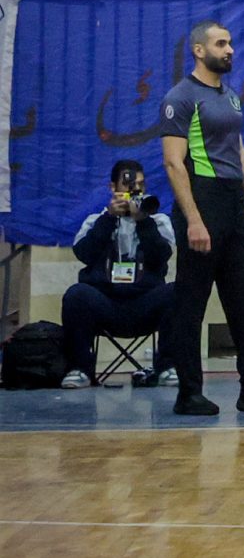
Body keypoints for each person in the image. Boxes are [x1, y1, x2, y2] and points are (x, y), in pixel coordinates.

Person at [157, 20, 244, 418]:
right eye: (221, 43)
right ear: (199, 50)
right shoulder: (181, 97)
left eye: (230, 43)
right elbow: (173, 163)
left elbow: (240, 153)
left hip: (234, 205)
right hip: (202, 200)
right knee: (192, 301)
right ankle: (189, 393)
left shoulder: (231, 97)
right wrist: (194, 220)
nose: (230, 49)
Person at [59, 160, 177, 388]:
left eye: (140, 186)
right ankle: (80, 369)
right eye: (129, 186)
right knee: (77, 294)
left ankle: (167, 367)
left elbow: (160, 256)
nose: (135, 191)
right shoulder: (95, 221)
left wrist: (143, 221)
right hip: (106, 304)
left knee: (177, 291)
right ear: (112, 188)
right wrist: (109, 219)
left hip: (144, 304)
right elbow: (84, 254)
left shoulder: (158, 222)